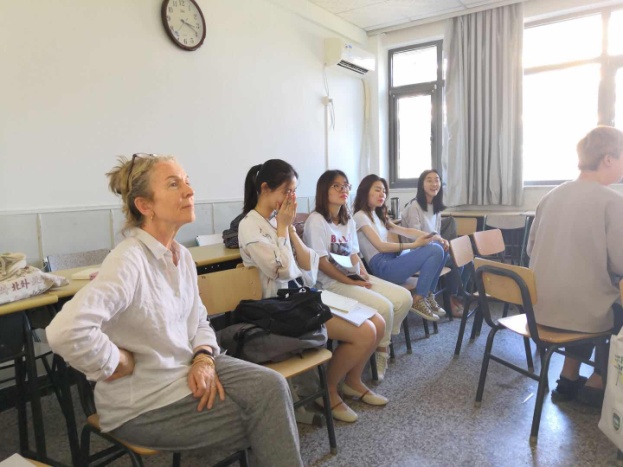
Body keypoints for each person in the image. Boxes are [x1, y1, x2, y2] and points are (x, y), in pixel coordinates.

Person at [46, 154, 302, 466]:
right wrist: (115, 361)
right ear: (145, 205)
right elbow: (65, 331)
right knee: (265, 416)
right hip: (144, 401)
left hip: (184, 370)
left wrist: (204, 358)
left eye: (187, 182)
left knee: (274, 388)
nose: (189, 191)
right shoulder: (128, 260)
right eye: (173, 184)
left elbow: (199, 320)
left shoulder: (181, 256)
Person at [238, 160, 387, 423]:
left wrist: (289, 230)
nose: (291, 198)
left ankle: (352, 381)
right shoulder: (249, 225)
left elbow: (308, 268)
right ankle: (328, 391)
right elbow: (282, 270)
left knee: (378, 322)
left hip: (302, 297)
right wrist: (283, 229)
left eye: (294, 192)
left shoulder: (277, 221)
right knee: (365, 332)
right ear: (265, 188)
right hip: (279, 308)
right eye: (287, 191)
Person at [527, 126, 623, 408]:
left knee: (587, 290)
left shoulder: (550, 196)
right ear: (608, 159)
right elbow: (620, 262)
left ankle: (568, 377)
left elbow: (531, 249)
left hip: (539, 309)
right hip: (580, 314)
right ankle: (598, 380)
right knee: (608, 301)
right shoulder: (613, 201)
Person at [303, 170, 412, 380]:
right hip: (329, 284)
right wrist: (350, 281)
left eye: (346, 185)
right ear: (324, 190)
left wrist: (363, 275)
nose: (343, 190)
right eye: (337, 186)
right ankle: (381, 350)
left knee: (404, 298)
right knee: (384, 307)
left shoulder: (348, 221)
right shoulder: (316, 220)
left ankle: (379, 345)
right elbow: (322, 263)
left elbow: (354, 254)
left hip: (351, 278)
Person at [352, 174, 447, 322]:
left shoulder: (378, 214)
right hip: (383, 267)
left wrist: (433, 236)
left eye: (384, 191)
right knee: (434, 250)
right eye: (377, 190)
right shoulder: (360, 216)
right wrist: (415, 245)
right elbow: (380, 246)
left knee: (440, 246)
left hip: (394, 259)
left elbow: (405, 231)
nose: (382, 194)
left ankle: (427, 294)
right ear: (365, 191)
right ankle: (418, 299)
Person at [401, 169, 464, 317]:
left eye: (437, 180)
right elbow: (415, 238)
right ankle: (448, 300)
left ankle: (450, 297)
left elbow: (437, 233)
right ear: (421, 185)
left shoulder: (435, 207)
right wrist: (438, 241)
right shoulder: (414, 207)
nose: (434, 184)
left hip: (432, 251)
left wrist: (442, 241)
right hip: (416, 254)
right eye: (429, 180)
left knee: (464, 259)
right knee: (458, 261)